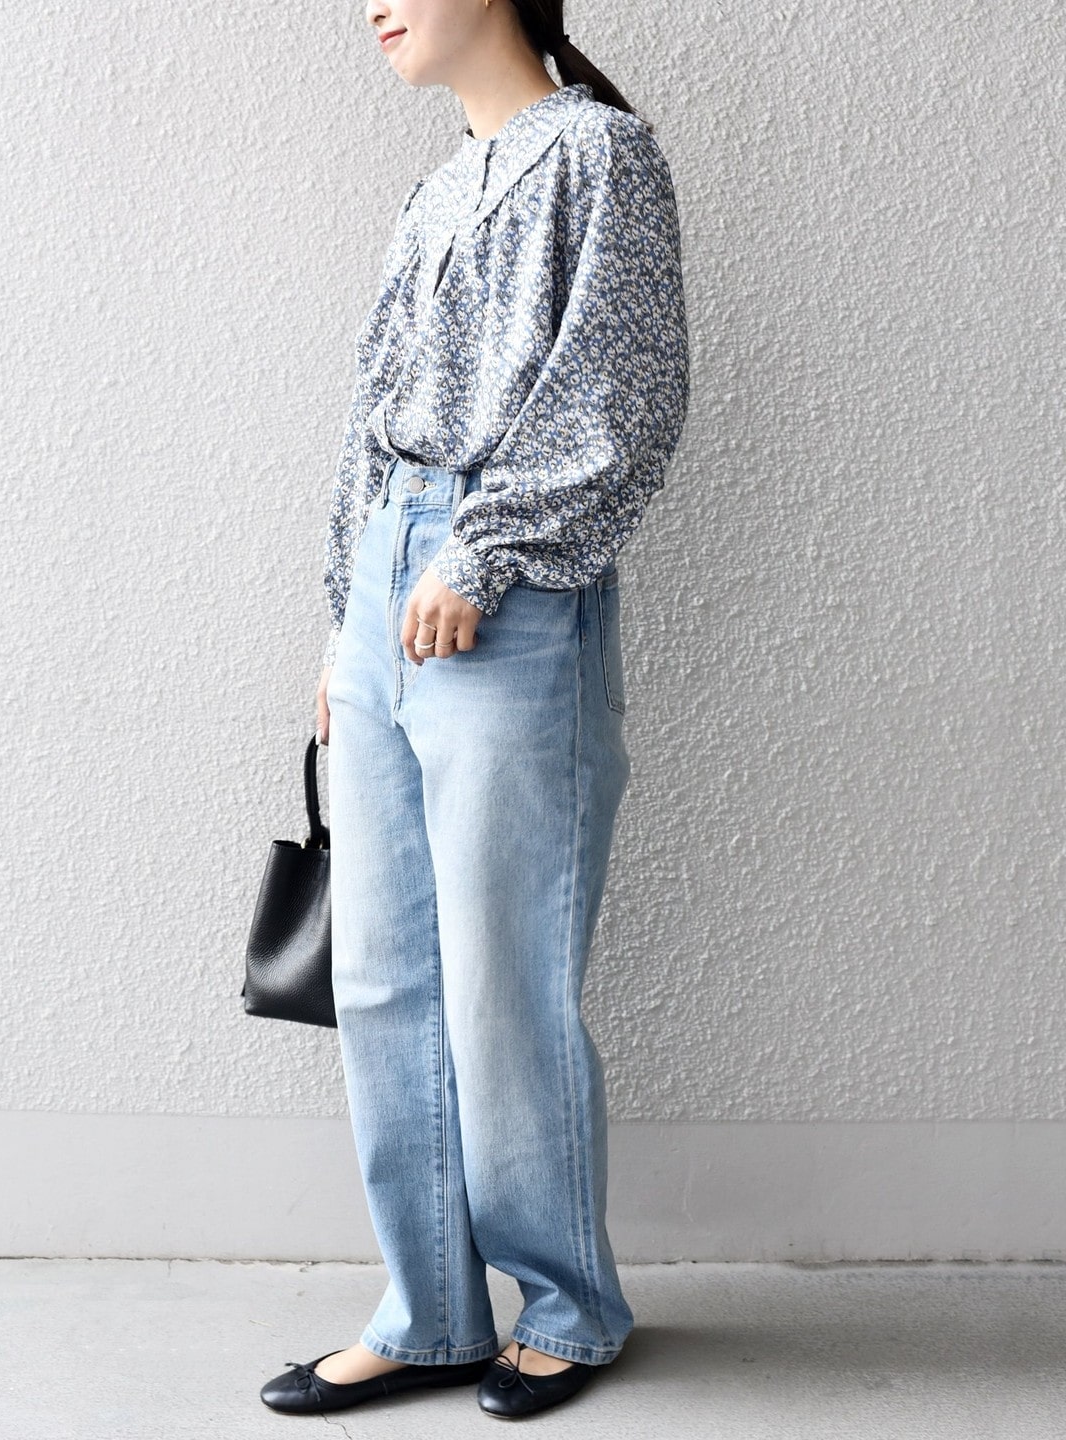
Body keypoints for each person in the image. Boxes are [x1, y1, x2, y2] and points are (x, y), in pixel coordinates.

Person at [260, 0, 688, 1421]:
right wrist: (344, 617)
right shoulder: (437, 188)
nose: (370, 6)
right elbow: (368, 415)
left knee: (504, 979)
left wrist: (485, 552)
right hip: (387, 586)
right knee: (385, 978)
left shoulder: (600, 154)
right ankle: (432, 1314)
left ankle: (568, 1306)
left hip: (498, 594)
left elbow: (623, 387)